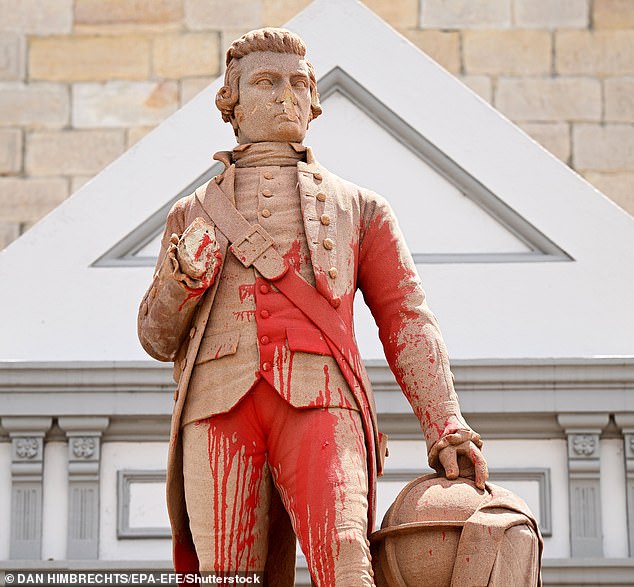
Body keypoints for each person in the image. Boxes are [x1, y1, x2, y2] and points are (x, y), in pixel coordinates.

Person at [138, 27, 488, 587]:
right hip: (217, 407)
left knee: (348, 558)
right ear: (231, 102)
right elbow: (156, 338)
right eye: (267, 81)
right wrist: (182, 280)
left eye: (300, 83)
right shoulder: (191, 214)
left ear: (314, 101)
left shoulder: (361, 207)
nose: (287, 95)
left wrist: (446, 425)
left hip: (324, 397)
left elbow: (406, 316)